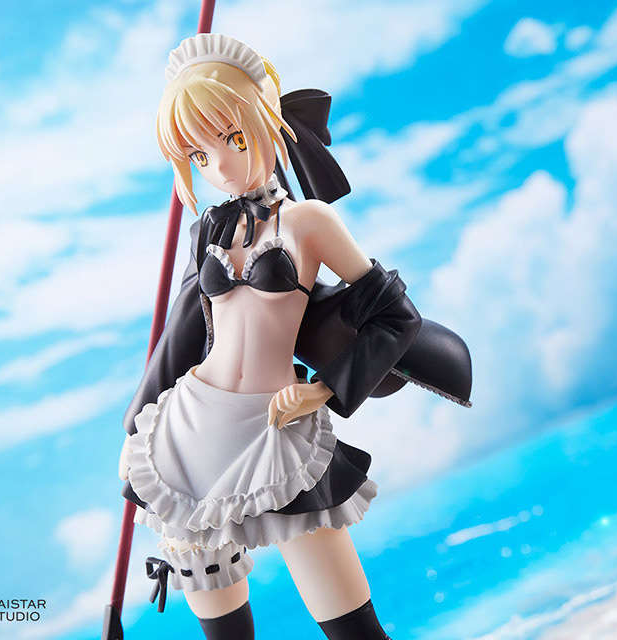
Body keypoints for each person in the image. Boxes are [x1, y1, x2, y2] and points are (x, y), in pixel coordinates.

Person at [117, 33, 471, 640]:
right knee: (226, 634)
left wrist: (326, 390)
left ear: (267, 118)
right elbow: (183, 328)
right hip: (188, 434)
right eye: (199, 154)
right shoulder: (208, 229)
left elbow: (396, 317)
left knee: (355, 631)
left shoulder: (308, 222)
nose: (219, 166)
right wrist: (135, 427)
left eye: (232, 139)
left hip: (275, 434)